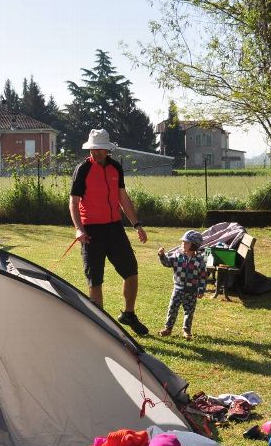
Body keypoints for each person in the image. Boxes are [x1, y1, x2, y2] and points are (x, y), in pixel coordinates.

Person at [69, 128, 149, 335]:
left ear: (107, 150)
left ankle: (129, 314)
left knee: (131, 272)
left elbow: (123, 198)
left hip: (114, 228)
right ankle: (102, 326)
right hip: (91, 231)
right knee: (95, 279)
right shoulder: (83, 169)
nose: (95, 153)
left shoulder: (116, 168)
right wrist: (79, 229)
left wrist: (137, 224)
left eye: (99, 149)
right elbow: (74, 202)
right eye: (93, 149)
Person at [157, 230, 208, 340]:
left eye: (186, 242)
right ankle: (168, 328)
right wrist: (161, 255)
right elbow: (167, 262)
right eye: (183, 242)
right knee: (172, 309)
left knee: (189, 311)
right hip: (178, 289)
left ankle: (186, 331)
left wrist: (201, 290)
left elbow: (203, 276)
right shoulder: (177, 256)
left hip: (192, 291)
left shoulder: (199, 260)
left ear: (194, 245)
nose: (183, 244)